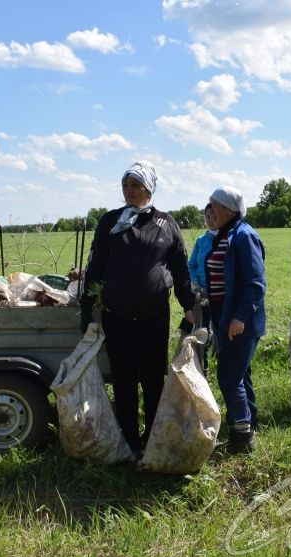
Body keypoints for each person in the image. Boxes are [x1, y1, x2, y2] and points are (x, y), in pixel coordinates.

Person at [80, 162, 196, 454]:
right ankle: (129, 441)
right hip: (117, 317)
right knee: (124, 380)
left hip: (154, 317)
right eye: (126, 186)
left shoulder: (166, 223)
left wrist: (189, 305)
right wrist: (86, 309)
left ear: (149, 188)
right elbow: (94, 268)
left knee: (154, 379)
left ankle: (154, 439)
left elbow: (180, 269)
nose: (129, 191)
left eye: (136, 186)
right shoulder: (110, 223)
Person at [206, 186, 266, 454]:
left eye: (215, 206)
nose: (211, 211)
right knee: (240, 374)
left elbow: (255, 284)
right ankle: (249, 423)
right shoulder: (224, 235)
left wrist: (239, 317)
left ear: (230, 209)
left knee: (229, 377)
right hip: (223, 316)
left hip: (240, 320)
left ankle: (241, 437)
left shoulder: (244, 236)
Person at [187, 203, 219, 371]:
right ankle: (202, 371)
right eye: (208, 217)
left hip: (222, 297)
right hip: (202, 297)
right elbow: (191, 265)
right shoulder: (201, 241)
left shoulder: (229, 239)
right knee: (202, 334)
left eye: (215, 216)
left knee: (222, 336)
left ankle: (225, 371)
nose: (211, 220)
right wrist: (195, 284)